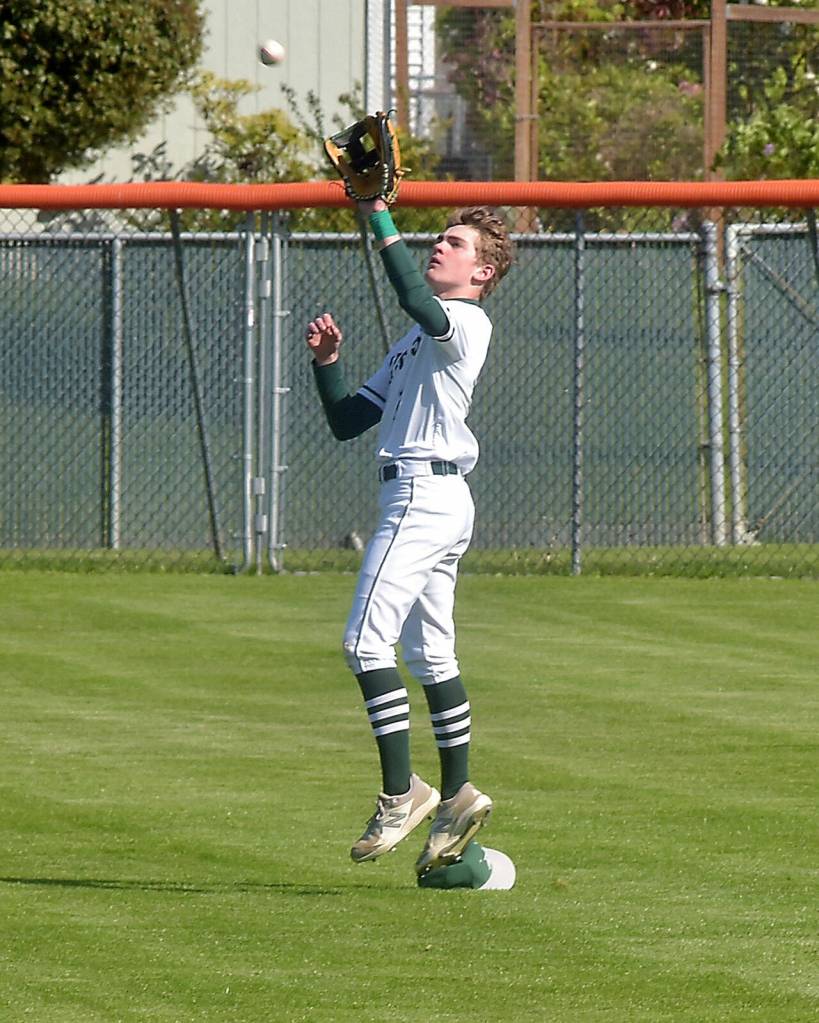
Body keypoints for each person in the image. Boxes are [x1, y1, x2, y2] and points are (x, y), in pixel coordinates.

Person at [305, 196, 514, 876]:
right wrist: (327, 362)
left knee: (364, 640)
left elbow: (406, 291)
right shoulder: (413, 341)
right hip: (433, 492)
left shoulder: (462, 321)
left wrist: (377, 213)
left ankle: (403, 793)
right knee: (429, 655)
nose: (439, 247)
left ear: (482, 273)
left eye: (455, 244)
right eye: (439, 238)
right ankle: (455, 796)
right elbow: (345, 421)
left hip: (423, 494)